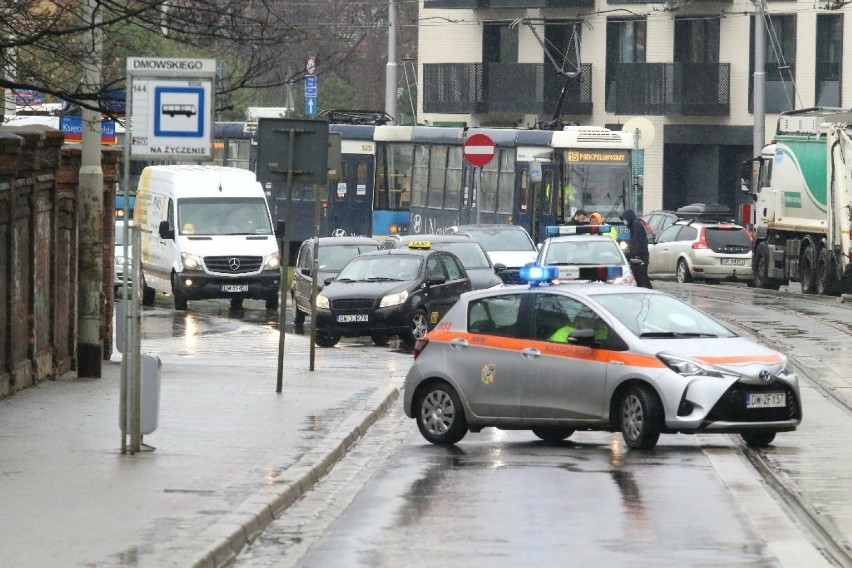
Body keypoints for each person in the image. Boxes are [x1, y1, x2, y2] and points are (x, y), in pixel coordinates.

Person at [621, 209, 653, 289]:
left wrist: (635, 254)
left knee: (642, 278)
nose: (624, 222)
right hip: (639, 257)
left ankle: (648, 292)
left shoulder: (636, 224)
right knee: (641, 278)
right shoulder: (634, 225)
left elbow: (638, 242)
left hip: (639, 258)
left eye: (625, 219)